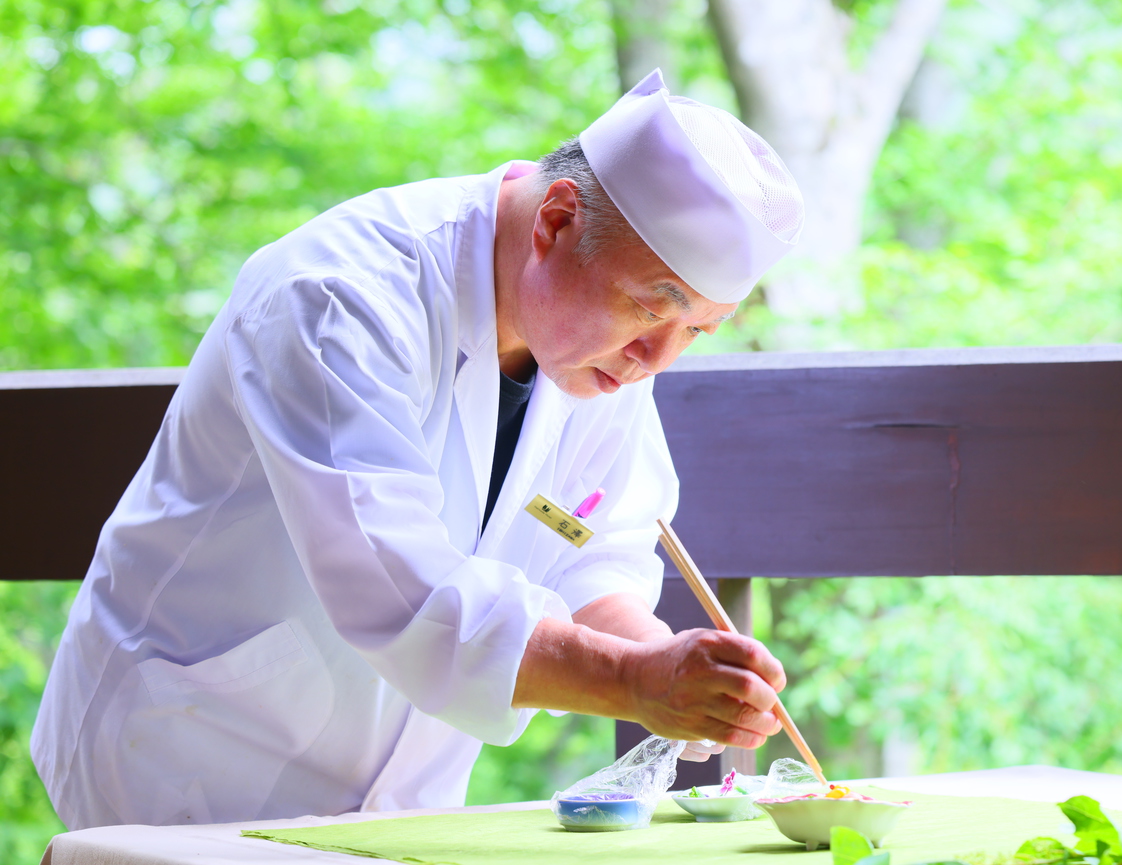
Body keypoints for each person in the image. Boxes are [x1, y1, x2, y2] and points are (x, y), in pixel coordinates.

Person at [32, 69, 806, 830]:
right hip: (192, 754)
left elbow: (591, 552)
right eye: (648, 307)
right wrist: (633, 680)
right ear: (557, 222)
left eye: (697, 330)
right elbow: (401, 589)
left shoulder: (600, 353)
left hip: (400, 802)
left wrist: (681, 670)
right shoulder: (340, 295)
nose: (656, 359)